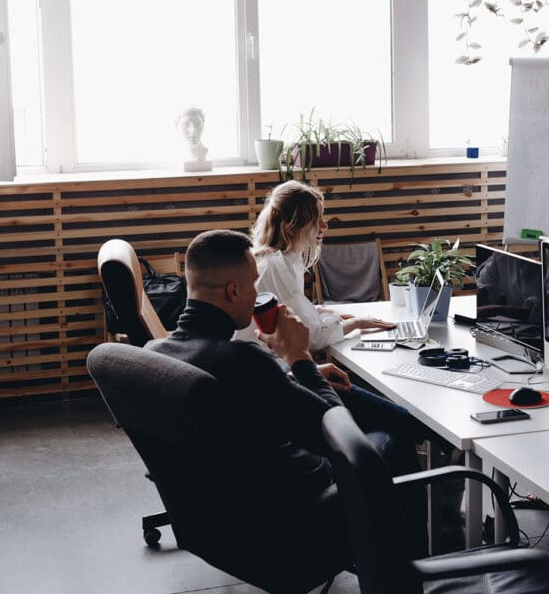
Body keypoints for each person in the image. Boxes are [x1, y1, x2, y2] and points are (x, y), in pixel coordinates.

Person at [148, 228, 426, 559]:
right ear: (234, 291)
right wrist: (300, 358)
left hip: (218, 519)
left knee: (375, 410)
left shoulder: (156, 354)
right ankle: (408, 564)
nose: (257, 293)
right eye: (254, 284)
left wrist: (290, 375)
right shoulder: (241, 360)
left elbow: (238, 400)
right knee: (392, 437)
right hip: (291, 524)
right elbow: (334, 433)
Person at [233, 180, 397, 350]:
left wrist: (325, 310)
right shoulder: (277, 268)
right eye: (316, 220)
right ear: (292, 227)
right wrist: (359, 323)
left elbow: (294, 310)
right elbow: (312, 337)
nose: (324, 226)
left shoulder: (283, 260)